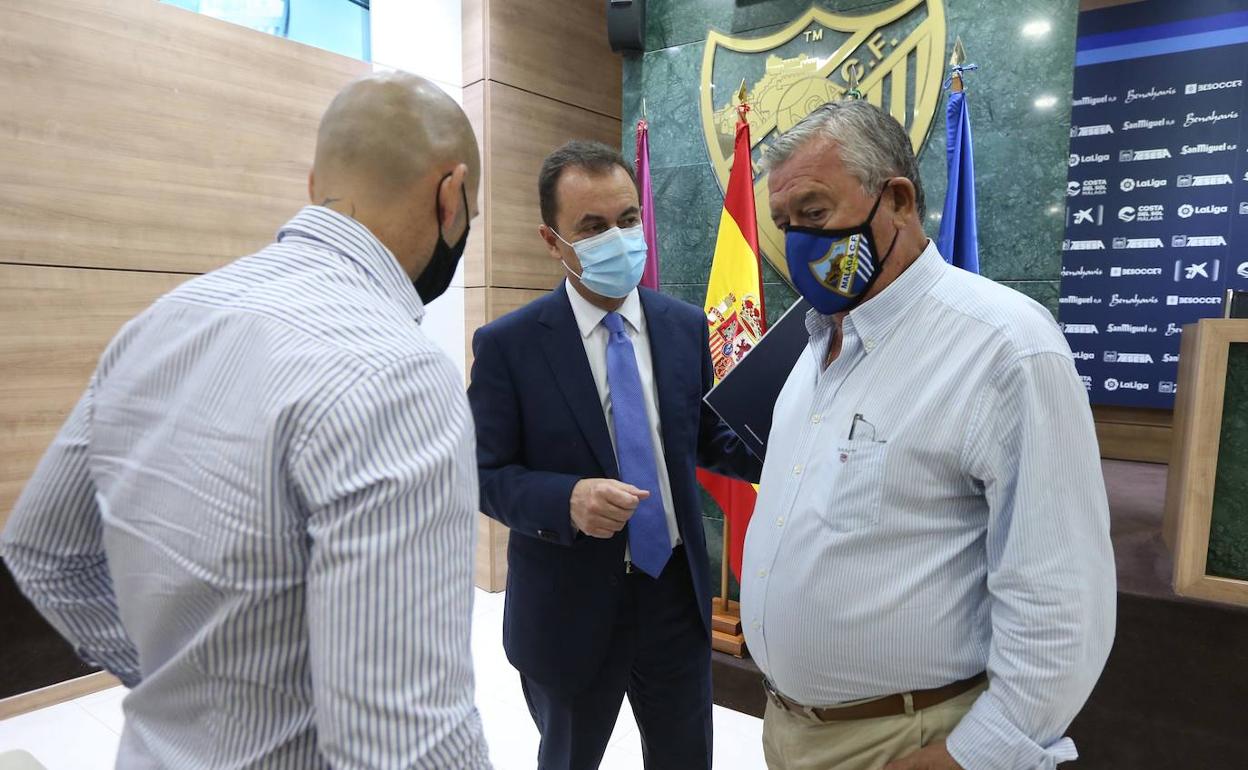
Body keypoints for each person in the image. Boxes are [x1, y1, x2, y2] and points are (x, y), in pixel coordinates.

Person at [1, 73, 492, 769]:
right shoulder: (398, 373)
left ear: (315, 183)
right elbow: (404, 745)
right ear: (452, 195)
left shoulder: (159, 325)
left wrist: (182, 680)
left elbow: (42, 552)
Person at [740, 100, 1116, 770]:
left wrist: (975, 755)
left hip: (911, 743)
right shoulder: (813, 347)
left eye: (815, 214)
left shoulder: (1005, 346)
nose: (798, 243)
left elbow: (1061, 601)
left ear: (899, 200)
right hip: (790, 729)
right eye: (786, 224)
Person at [467, 140, 762, 770]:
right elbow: (481, 475)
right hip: (569, 608)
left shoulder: (684, 325)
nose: (618, 239)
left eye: (628, 220)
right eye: (593, 228)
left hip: (674, 598)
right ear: (553, 241)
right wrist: (566, 499)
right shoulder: (509, 347)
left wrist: (786, 445)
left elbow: (703, 436)